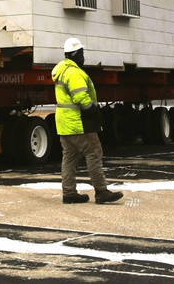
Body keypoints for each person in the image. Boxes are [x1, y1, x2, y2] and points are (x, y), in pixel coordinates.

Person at [51, 38, 123, 205]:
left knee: (69, 157)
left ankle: (69, 193)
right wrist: (94, 111)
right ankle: (101, 191)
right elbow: (80, 97)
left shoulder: (61, 70)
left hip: (64, 123)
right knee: (94, 152)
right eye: (81, 53)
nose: (83, 57)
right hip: (78, 122)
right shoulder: (74, 73)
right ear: (75, 54)